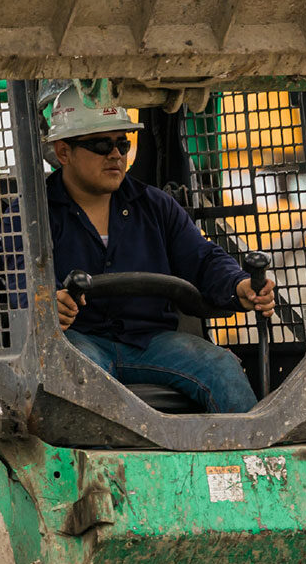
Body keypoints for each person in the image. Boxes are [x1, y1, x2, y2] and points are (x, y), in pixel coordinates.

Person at [44, 84, 275, 414]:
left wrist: (237, 285)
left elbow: (201, 257)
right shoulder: (33, 214)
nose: (116, 155)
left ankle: (252, 461)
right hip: (78, 339)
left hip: (149, 340)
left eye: (122, 144)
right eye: (100, 144)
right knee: (82, 378)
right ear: (63, 152)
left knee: (221, 367)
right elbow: (15, 282)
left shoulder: (155, 206)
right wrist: (46, 304)